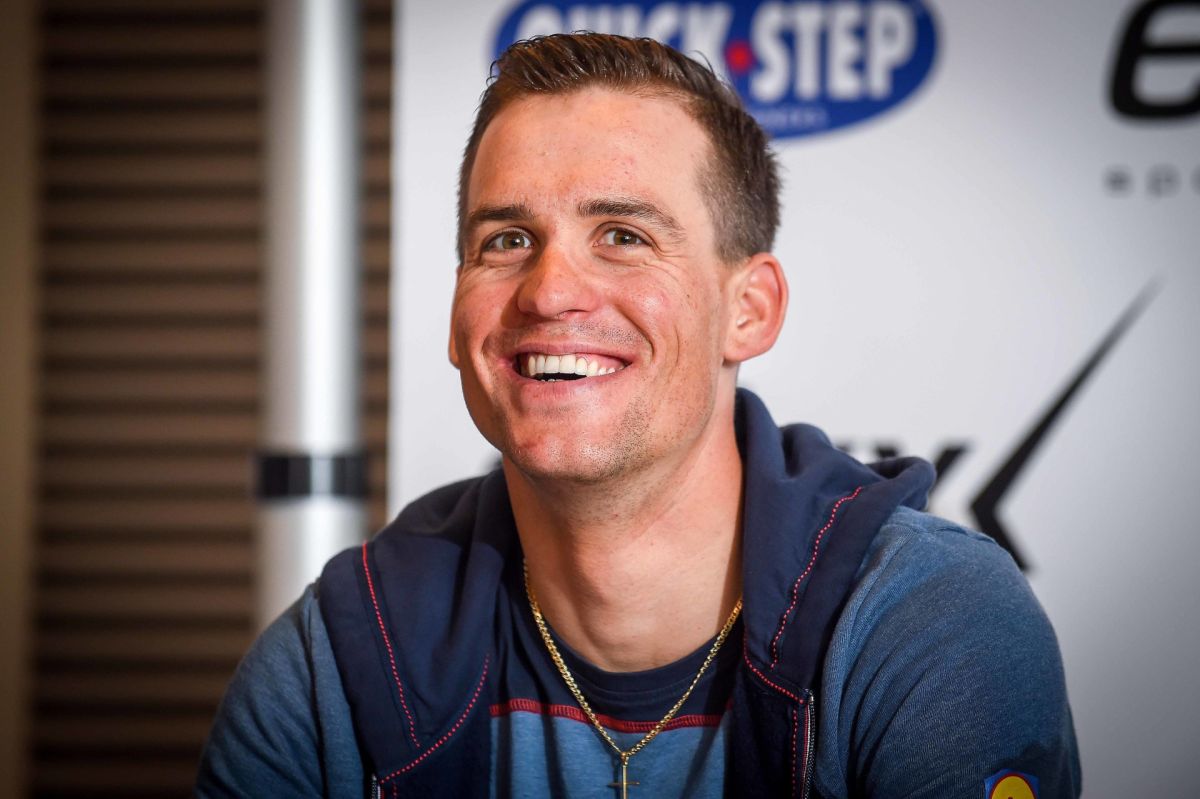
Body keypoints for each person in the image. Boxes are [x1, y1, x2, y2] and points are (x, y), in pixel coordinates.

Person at [196, 33, 1080, 798]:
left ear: (749, 310)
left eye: (623, 235)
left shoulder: (928, 624)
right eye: (506, 240)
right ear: (458, 317)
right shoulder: (344, 655)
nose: (549, 291)